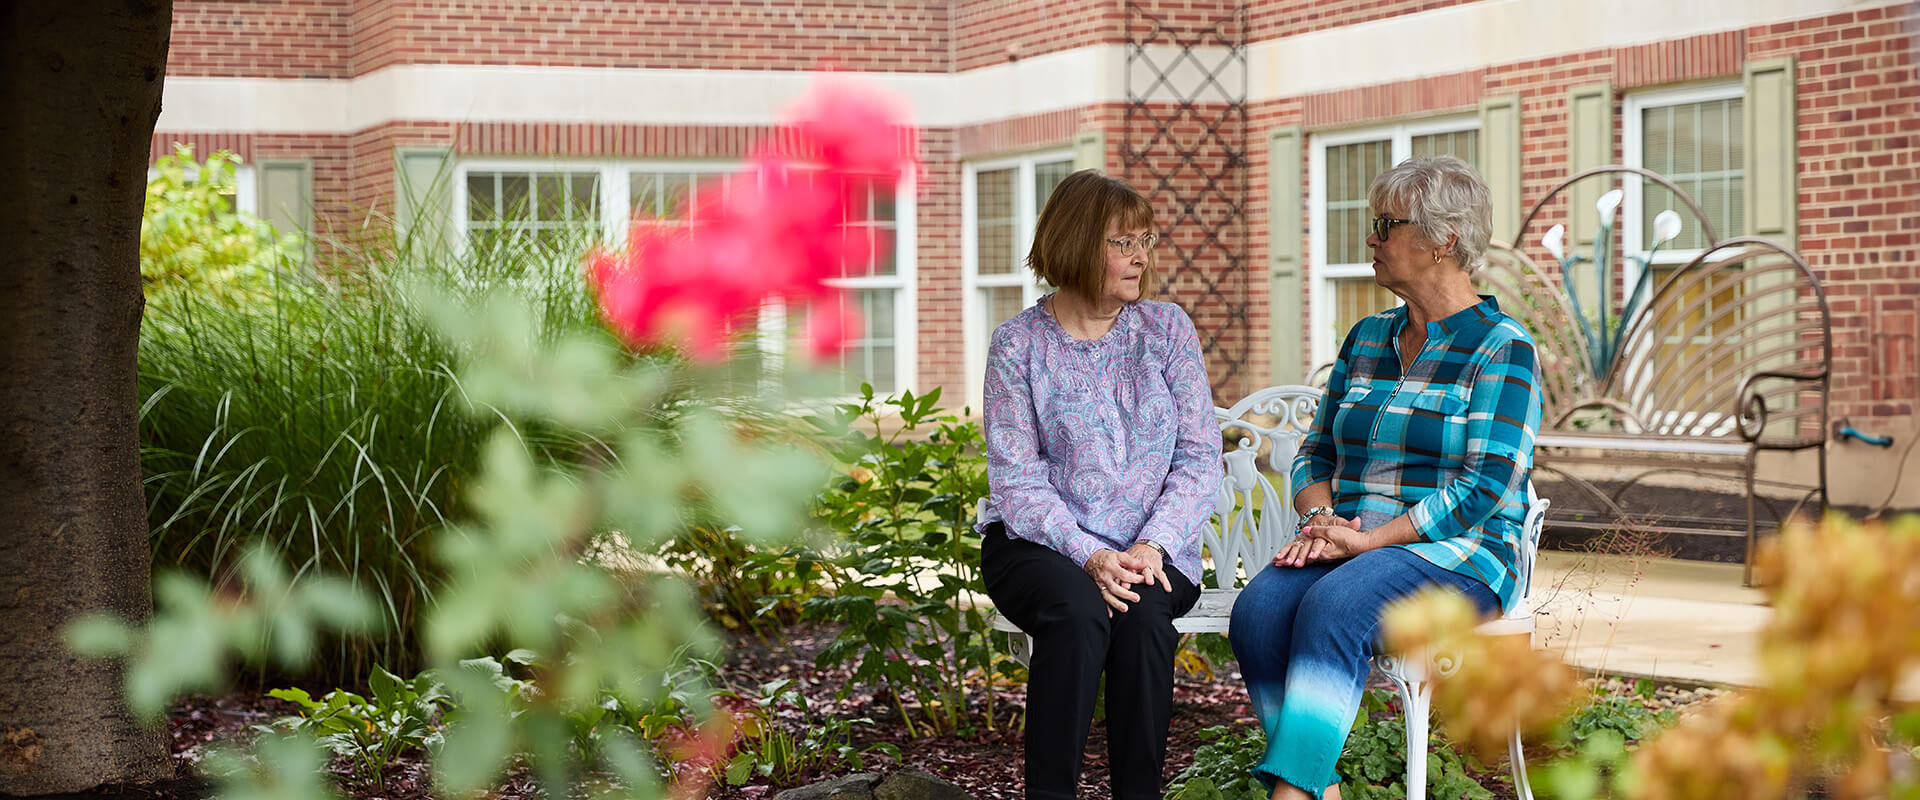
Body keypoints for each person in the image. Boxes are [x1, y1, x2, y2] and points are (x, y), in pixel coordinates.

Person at [1227, 156, 1542, 800]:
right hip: (1352, 540)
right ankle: (1321, 786)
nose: (1370, 240)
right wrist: (1322, 520)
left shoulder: (1502, 347)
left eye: (1385, 225)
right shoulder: (1366, 337)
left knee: (1336, 606)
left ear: (1441, 239)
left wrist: (1372, 542)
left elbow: (1486, 487)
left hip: (1462, 553)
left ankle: (1291, 794)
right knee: (1257, 611)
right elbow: (1316, 452)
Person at [976, 169, 1223, 800]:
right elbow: (1017, 478)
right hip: (1041, 546)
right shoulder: (1018, 346)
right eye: (1123, 242)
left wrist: (1153, 545)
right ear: (1079, 243)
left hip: (1151, 551)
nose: (1141, 255)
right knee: (1079, 612)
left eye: (1145, 240)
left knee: (1143, 624)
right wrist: (1088, 554)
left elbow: (1199, 457)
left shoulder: (1166, 331)